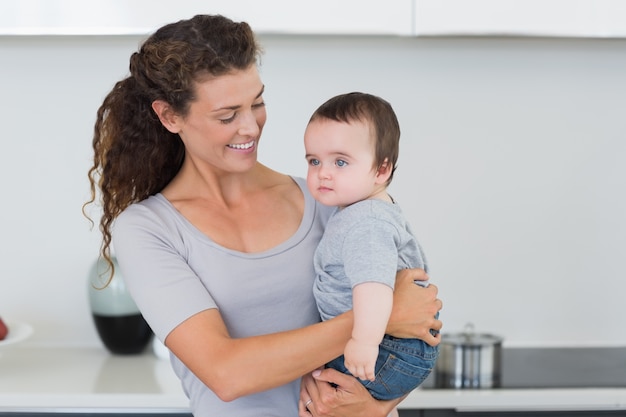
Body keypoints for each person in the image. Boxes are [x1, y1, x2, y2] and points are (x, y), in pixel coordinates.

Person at [84, 14, 442, 417]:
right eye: (227, 115)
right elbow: (226, 372)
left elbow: (416, 327)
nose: (251, 127)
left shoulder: (327, 197)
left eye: (257, 103)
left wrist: (378, 408)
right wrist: (376, 320)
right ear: (170, 116)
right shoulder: (150, 229)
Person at [303, 92, 439, 401]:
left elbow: (374, 286)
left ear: (382, 170)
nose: (323, 171)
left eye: (340, 161)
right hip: (391, 344)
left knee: (318, 386)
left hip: (386, 347)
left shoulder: (366, 221)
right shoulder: (362, 210)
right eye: (314, 160)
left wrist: (363, 342)